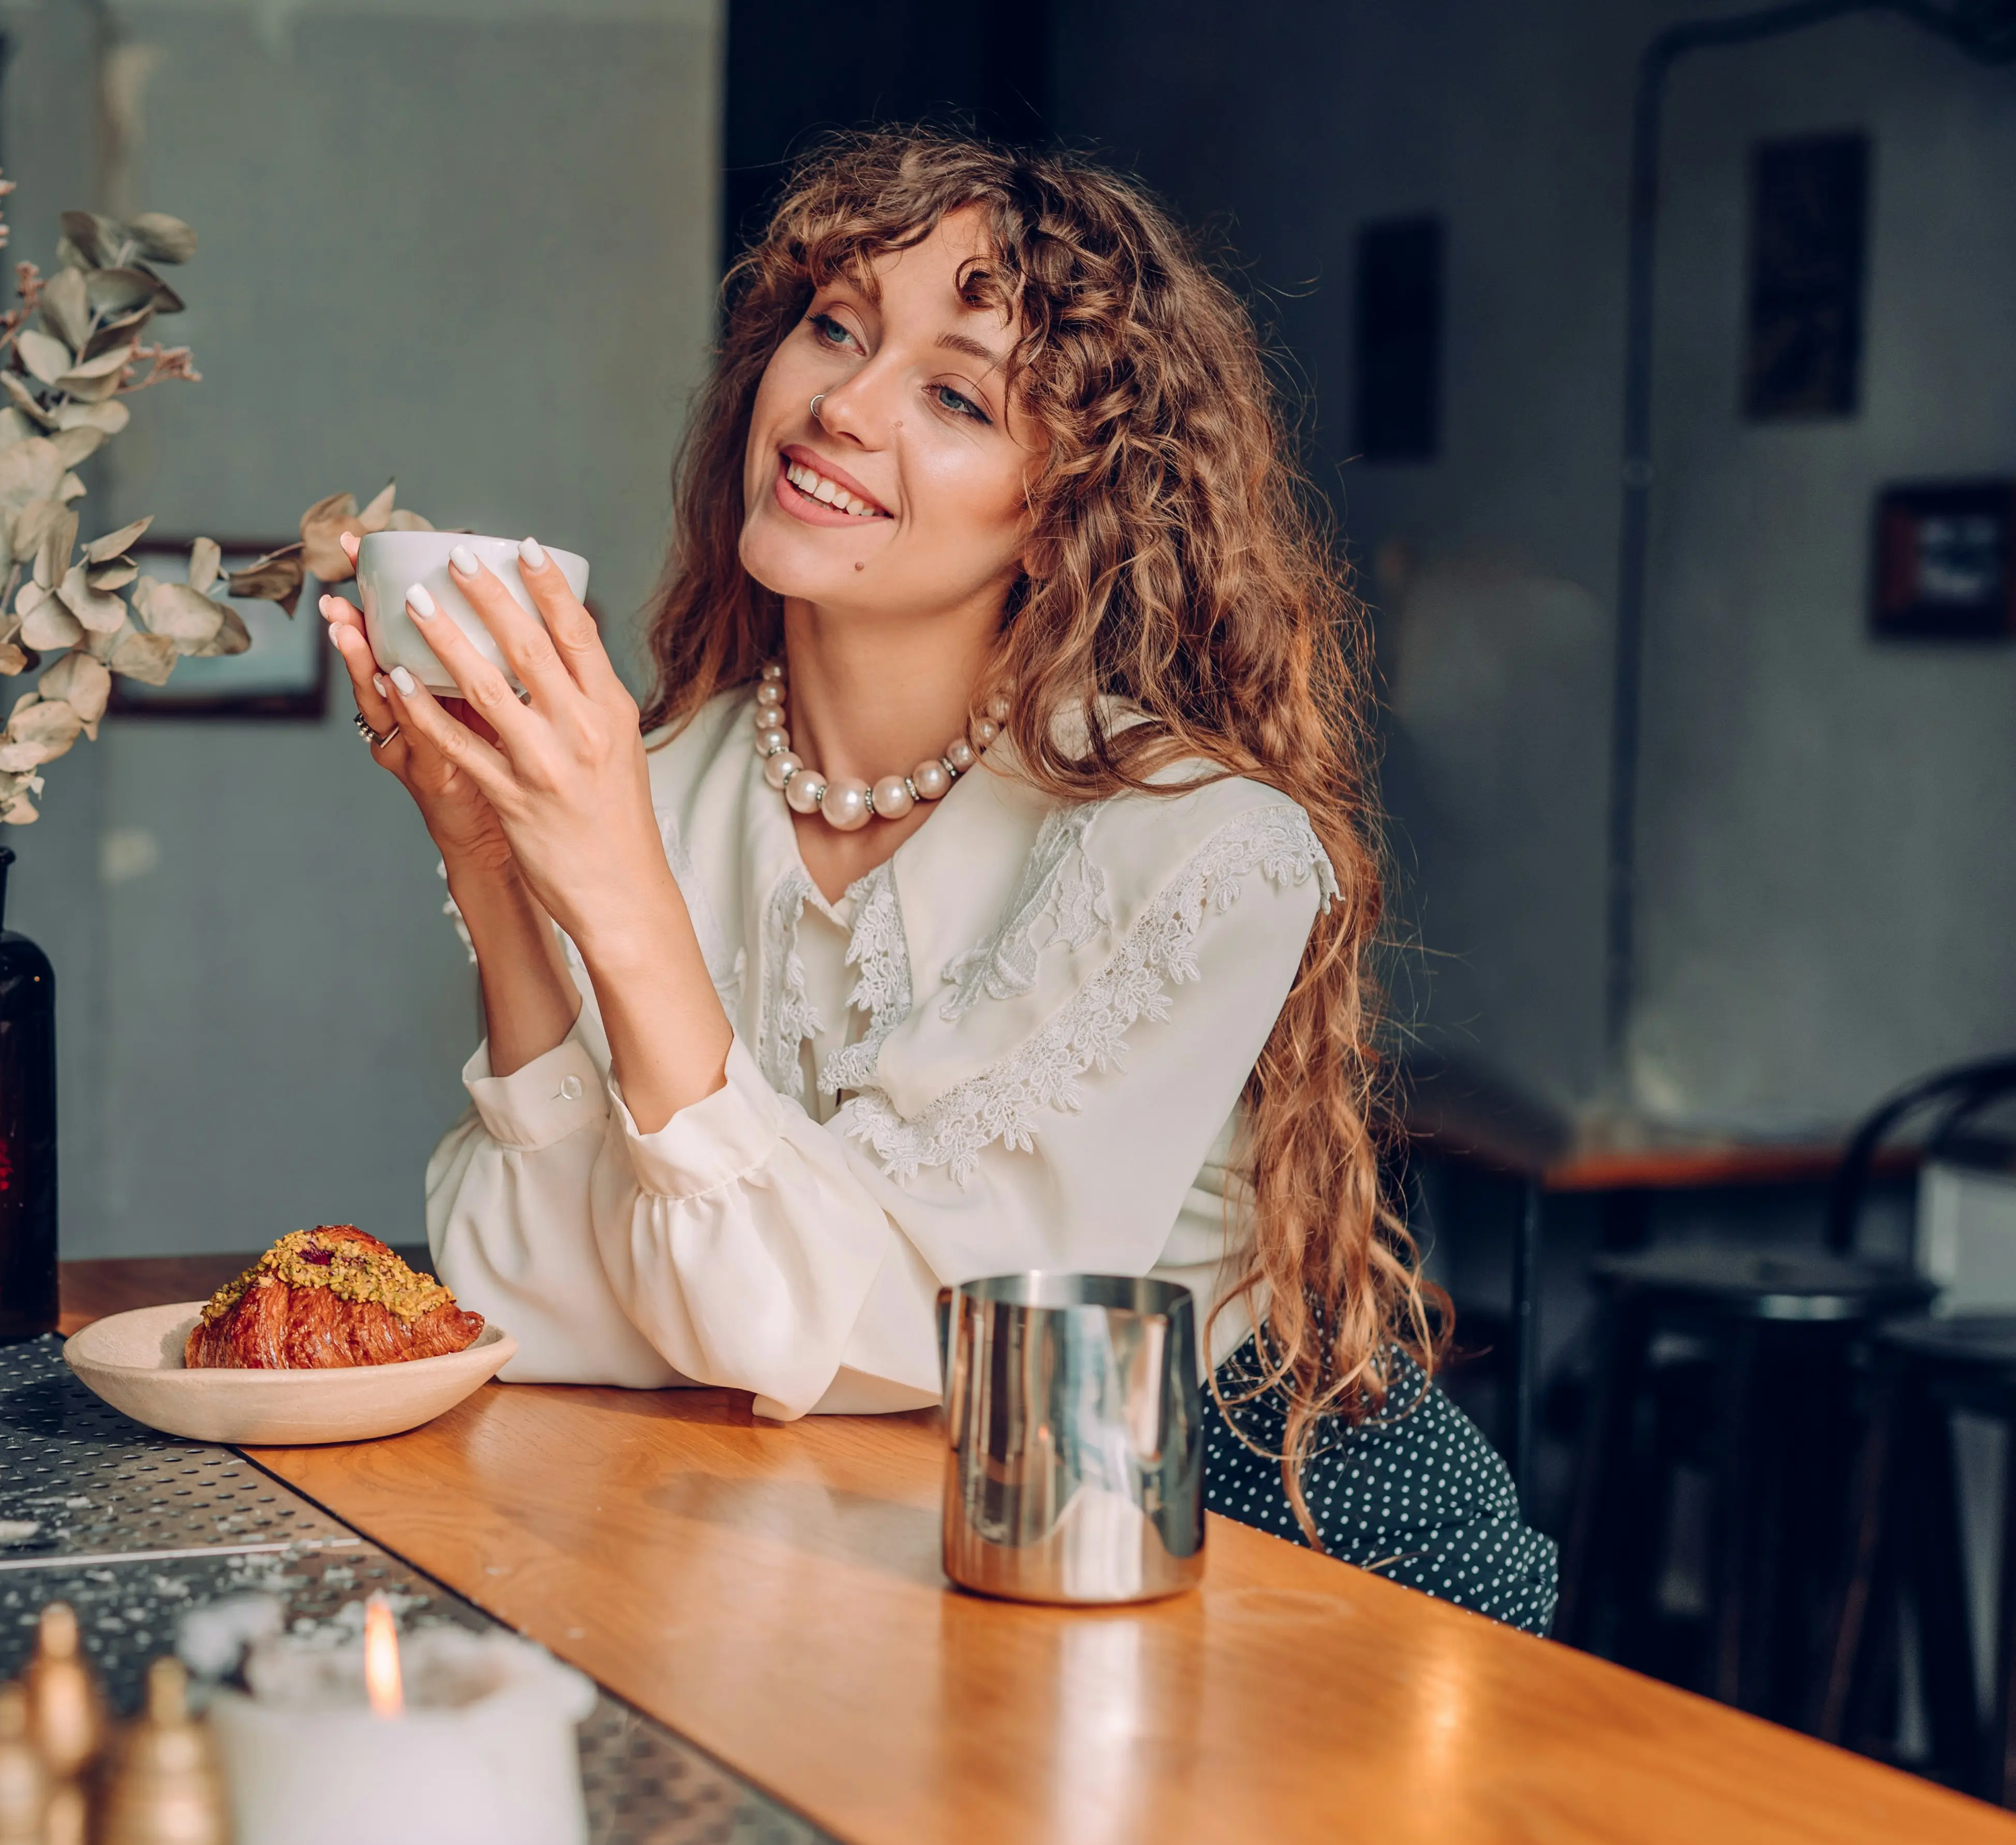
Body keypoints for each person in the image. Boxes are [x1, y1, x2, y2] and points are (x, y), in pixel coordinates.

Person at [319, 129, 1556, 1633]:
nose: (839, 403)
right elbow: (523, 1289)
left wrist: (618, 894)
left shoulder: (1204, 847)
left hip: (1218, 1545)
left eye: (955, 393)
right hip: (831, 1553)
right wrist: (494, 861)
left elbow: (921, 1338)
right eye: (835, 325)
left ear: (1063, 509)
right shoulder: (641, 787)